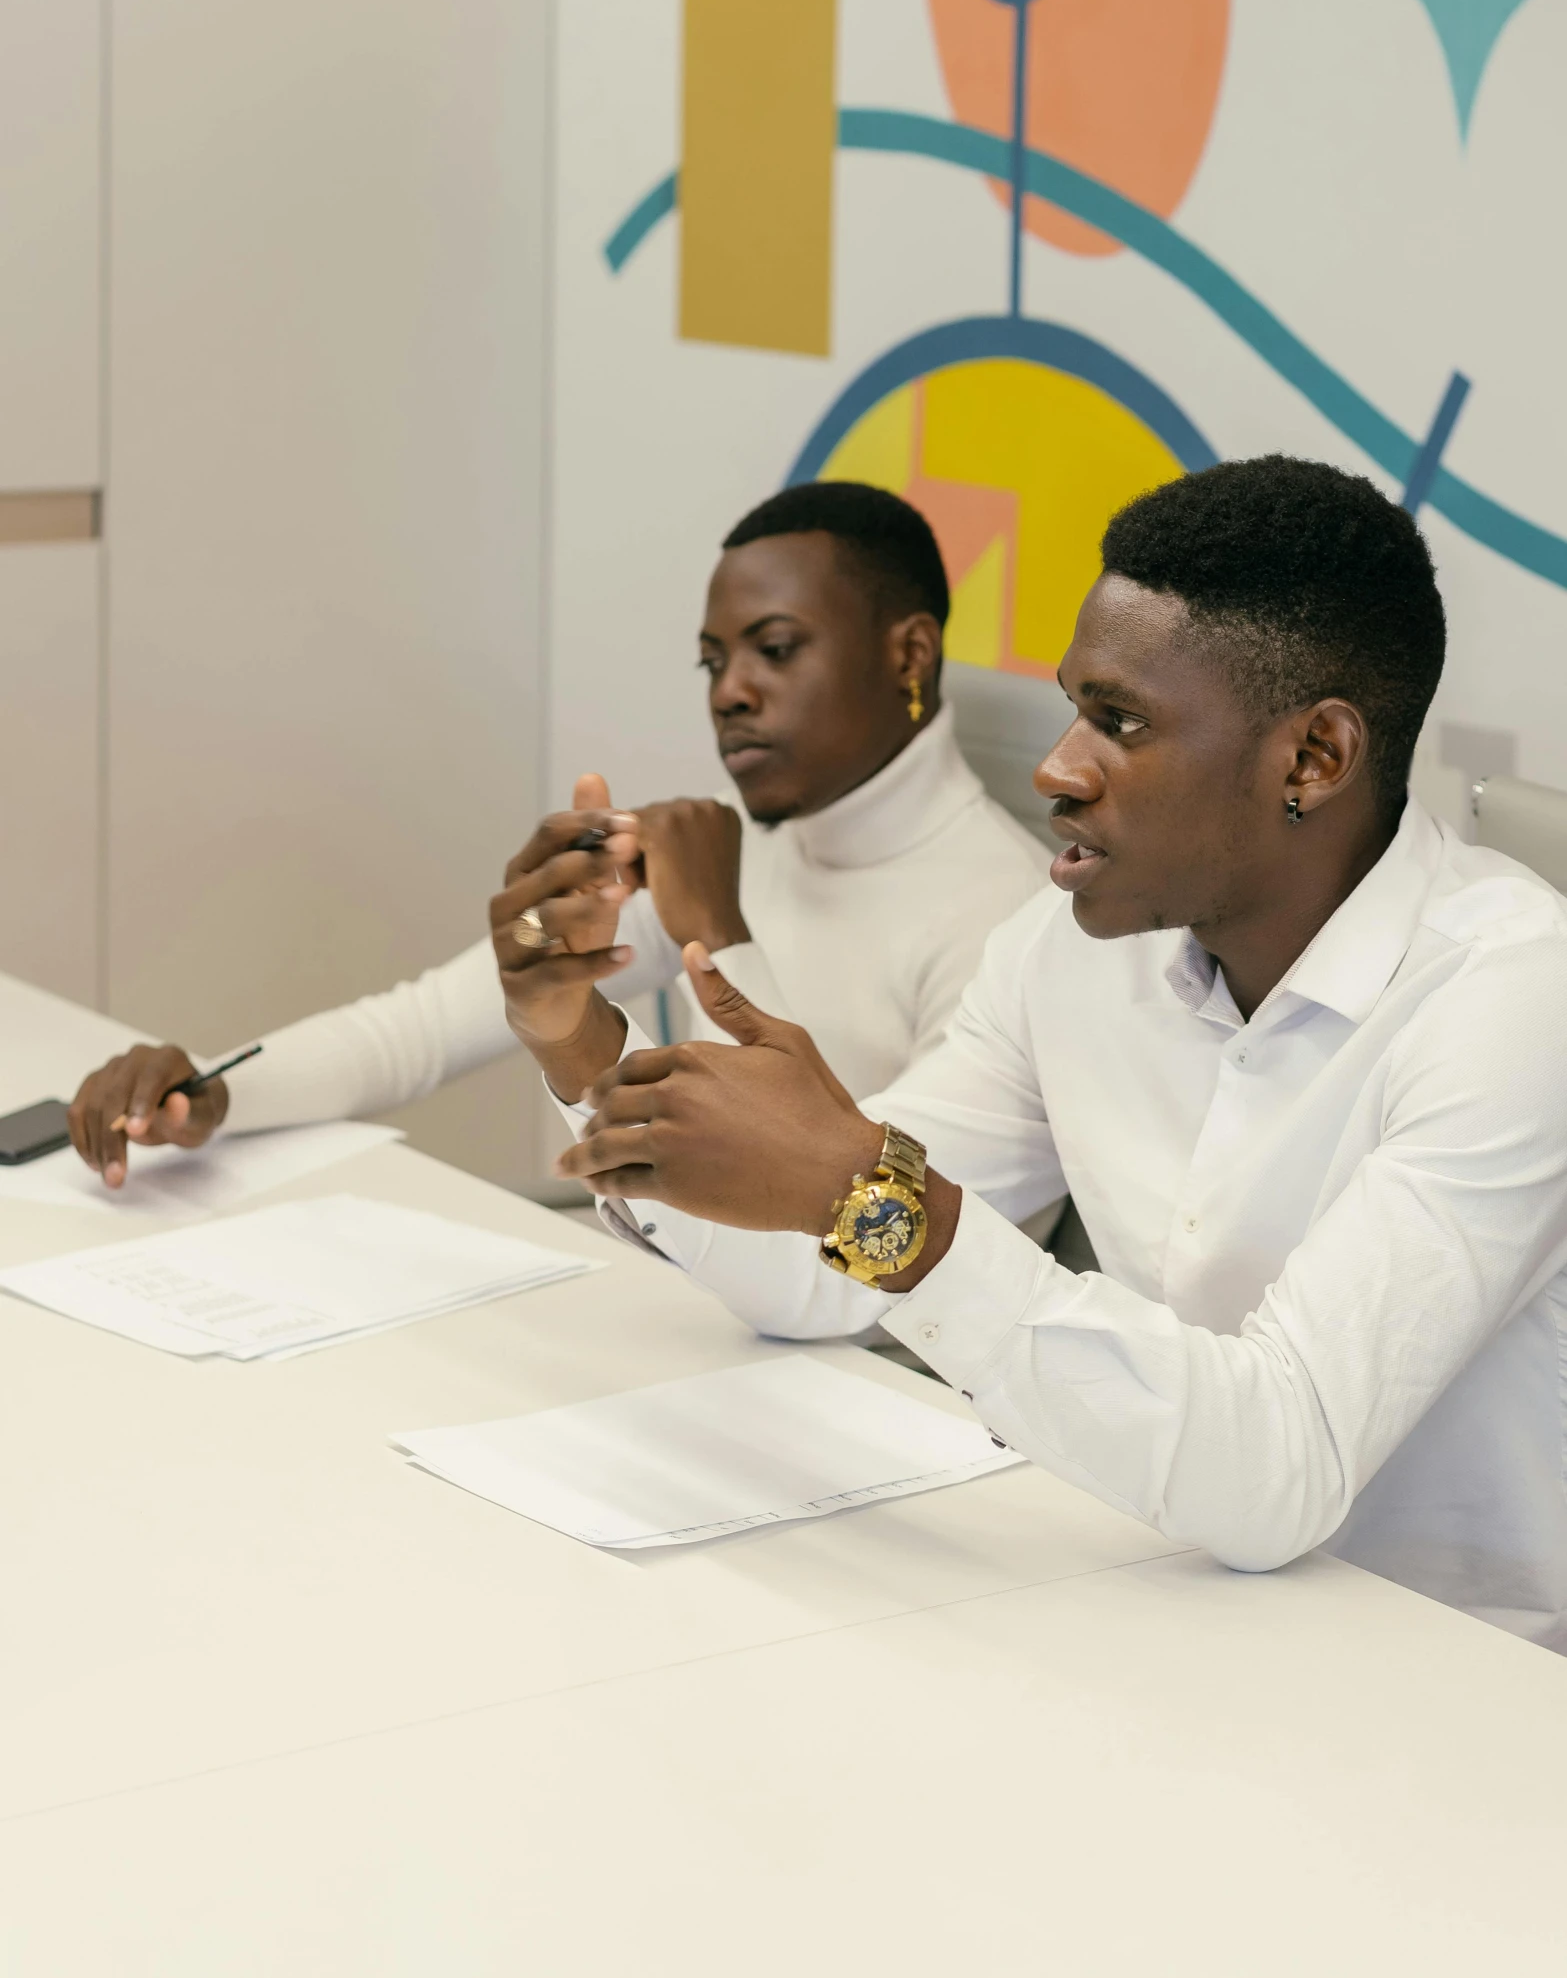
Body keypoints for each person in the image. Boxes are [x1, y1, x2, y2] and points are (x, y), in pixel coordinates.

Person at [550, 457, 1567, 1651]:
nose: (1056, 767)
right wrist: (575, 1034)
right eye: (1075, 708)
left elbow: (1277, 1467)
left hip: (1458, 1690)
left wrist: (876, 1198)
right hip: (1147, 1604)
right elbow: (810, 1280)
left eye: (1120, 722)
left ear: (1312, 758)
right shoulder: (1072, 948)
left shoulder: (1511, 1000)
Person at [67, 483, 1050, 1189]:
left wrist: (714, 925)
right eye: (711, 661)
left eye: (774, 649)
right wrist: (210, 1089)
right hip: (699, 1336)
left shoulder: (1006, 918)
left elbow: (853, 1250)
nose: (729, 692)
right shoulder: (747, 839)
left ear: (909, 652)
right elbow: (418, 1028)